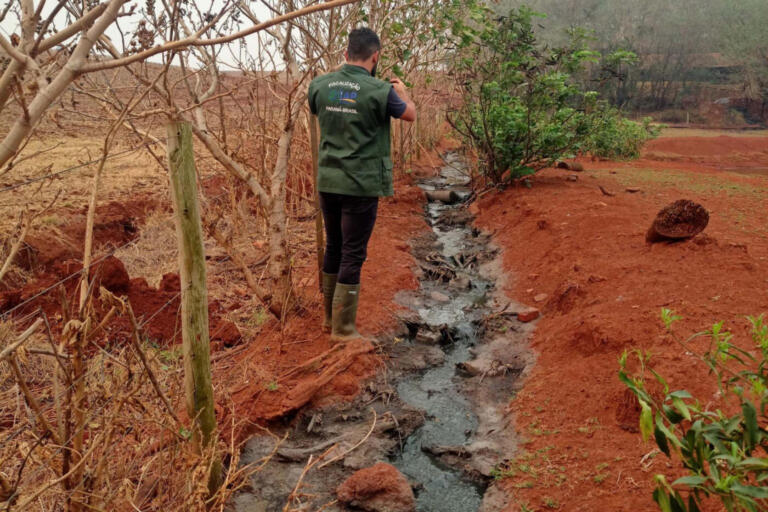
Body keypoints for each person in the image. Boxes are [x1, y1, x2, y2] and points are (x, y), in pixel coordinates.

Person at [308, 27, 416, 342]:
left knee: (334, 246)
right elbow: (410, 115)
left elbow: (320, 109)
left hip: (329, 180)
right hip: (361, 184)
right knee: (353, 251)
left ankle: (330, 320)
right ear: (375, 56)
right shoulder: (381, 91)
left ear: (345, 54)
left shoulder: (319, 85)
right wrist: (403, 93)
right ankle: (344, 330)